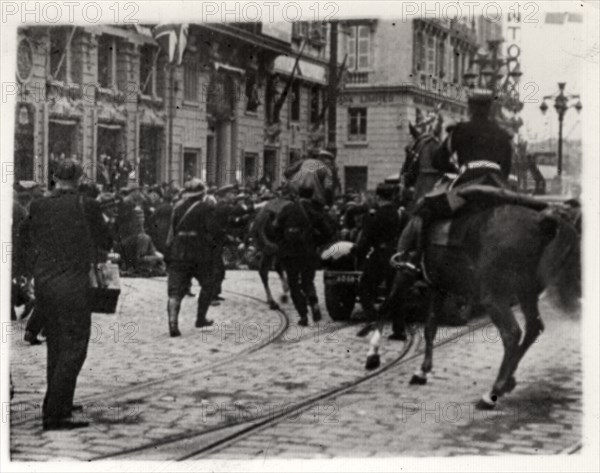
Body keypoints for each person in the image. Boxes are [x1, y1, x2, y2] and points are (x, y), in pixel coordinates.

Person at [19, 159, 112, 430]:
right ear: (79, 179)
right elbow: (105, 239)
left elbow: (23, 237)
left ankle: (60, 402)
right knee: (74, 347)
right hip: (74, 285)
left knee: (56, 347)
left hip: (46, 284)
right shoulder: (87, 205)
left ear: (55, 178)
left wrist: (34, 269)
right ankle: (56, 414)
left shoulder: (38, 205)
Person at [394, 91, 513, 272]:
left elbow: (439, 160)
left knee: (427, 210)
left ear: (470, 108)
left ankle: (416, 260)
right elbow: (507, 167)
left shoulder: (460, 130)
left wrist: (456, 170)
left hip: (468, 185)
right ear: (490, 109)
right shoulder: (504, 135)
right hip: (498, 186)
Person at [274, 185, 335, 326]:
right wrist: (316, 242)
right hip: (308, 252)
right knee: (308, 281)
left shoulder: (288, 209)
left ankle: (303, 316)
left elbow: (276, 227)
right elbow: (328, 232)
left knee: (294, 283)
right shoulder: (315, 211)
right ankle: (313, 300)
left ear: (298, 194)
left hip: (290, 253)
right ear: (312, 195)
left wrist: (283, 243)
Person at [165, 178, 217, 337]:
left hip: (178, 251)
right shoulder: (207, 207)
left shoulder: (177, 208)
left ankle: (173, 324)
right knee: (208, 284)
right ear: (202, 193)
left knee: (175, 291)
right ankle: (200, 318)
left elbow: (172, 232)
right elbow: (211, 231)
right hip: (199, 252)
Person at [351, 183, 403, 336]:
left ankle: (373, 318)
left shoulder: (374, 215)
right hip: (396, 255)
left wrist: (357, 253)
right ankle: (399, 330)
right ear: (392, 197)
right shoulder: (399, 214)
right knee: (394, 292)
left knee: (364, 288)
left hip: (379, 256)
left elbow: (367, 239)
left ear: (378, 197)